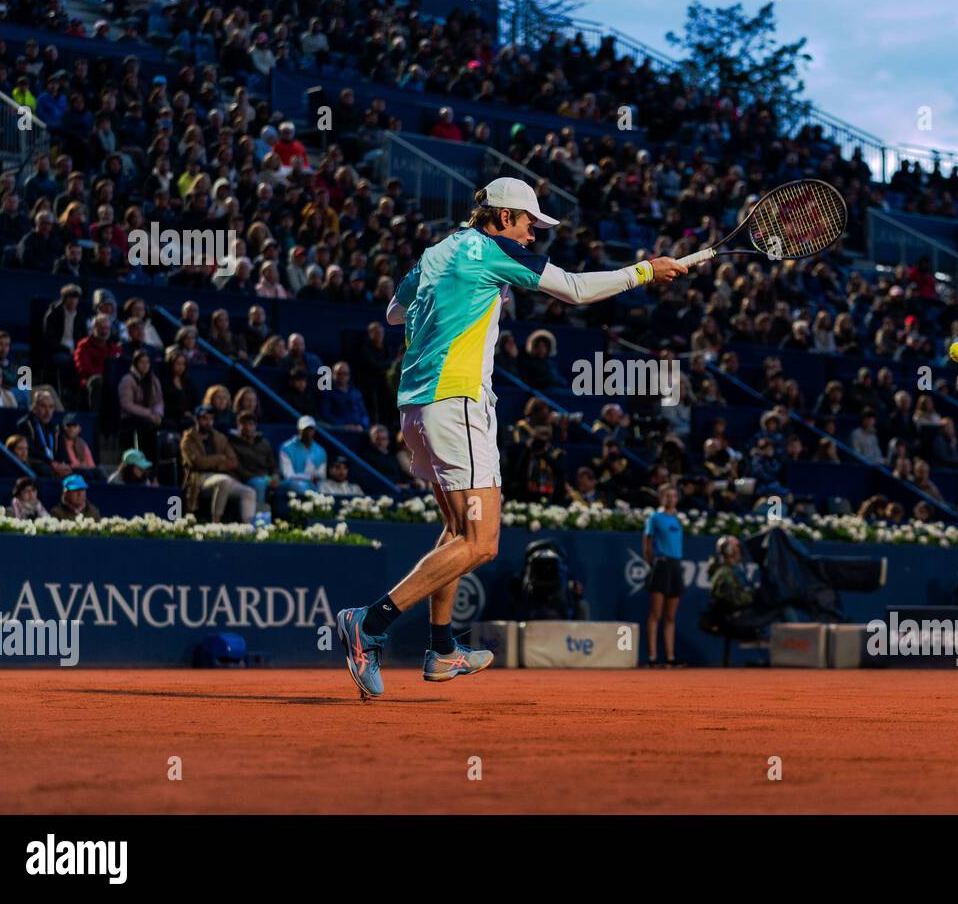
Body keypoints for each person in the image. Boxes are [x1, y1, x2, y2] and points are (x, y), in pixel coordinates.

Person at [335, 177, 686, 697]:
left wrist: (449, 303)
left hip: (415, 407)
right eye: (527, 224)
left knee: (458, 532)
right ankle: (370, 622)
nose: (531, 236)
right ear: (502, 217)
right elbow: (574, 289)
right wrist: (644, 272)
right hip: (456, 402)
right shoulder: (492, 248)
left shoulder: (437, 251)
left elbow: (394, 312)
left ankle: (441, 650)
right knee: (482, 543)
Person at [180, 404, 256, 522]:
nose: (208, 422)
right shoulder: (188, 439)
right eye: (205, 418)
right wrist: (219, 458)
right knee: (223, 481)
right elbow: (198, 463)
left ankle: (249, 529)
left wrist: (218, 465)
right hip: (199, 478)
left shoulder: (220, 437)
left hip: (224, 476)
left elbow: (233, 461)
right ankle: (216, 523)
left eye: (211, 419)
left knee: (249, 492)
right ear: (197, 419)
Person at [643, 484, 686, 668]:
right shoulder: (655, 517)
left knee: (670, 617)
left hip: (675, 566)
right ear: (661, 497)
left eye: (674, 496)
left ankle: (670, 658)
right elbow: (647, 542)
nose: (671, 499)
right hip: (661, 565)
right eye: (668, 496)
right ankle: (652, 658)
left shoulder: (677, 519)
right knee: (656, 614)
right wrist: (652, 563)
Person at [279, 415, 327, 493]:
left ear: (314, 430)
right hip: (290, 483)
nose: (307, 432)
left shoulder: (321, 451)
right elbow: (288, 475)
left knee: (324, 487)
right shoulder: (286, 448)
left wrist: (314, 478)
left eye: (310, 429)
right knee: (301, 485)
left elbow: (322, 475)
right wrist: (310, 477)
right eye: (305, 429)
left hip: (312, 484)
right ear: (299, 430)